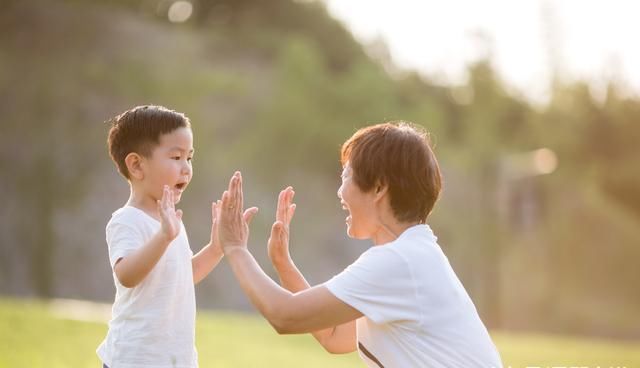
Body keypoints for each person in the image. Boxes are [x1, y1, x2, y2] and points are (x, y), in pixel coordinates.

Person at [215, 122, 503, 367]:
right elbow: (335, 337)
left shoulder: (399, 261)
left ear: (378, 187)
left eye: (347, 177)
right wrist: (284, 266)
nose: (340, 192)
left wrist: (236, 248)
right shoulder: (413, 255)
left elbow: (285, 317)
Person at [97, 105, 222, 368]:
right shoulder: (127, 220)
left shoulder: (170, 221)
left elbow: (183, 275)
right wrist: (164, 236)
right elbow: (127, 275)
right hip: (135, 359)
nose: (186, 168)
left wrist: (217, 247)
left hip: (175, 359)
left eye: (189, 158)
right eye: (176, 157)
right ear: (136, 165)